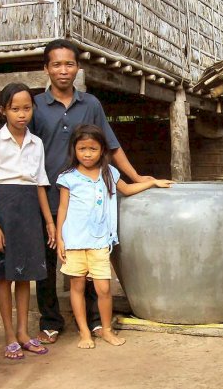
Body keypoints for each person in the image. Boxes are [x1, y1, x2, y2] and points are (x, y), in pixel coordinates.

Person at [30, 39, 154, 344]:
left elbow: (111, 144)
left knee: (88, 262)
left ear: (77, 67)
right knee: (47, 262)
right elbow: (26, 152)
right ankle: (51, 321)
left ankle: (96, 322)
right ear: (46, 68)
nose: (63, 70)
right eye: (56, 64)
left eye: (69, 64)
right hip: (48, 196)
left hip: (86, 203)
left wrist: (137, 176)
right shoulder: (35, 107)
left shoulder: (91, 104)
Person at [56, 124, 173, 348]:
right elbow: (62, 208)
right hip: (74, 242)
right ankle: (84, 333)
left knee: (104, 289)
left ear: (102, 150)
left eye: (93, 148)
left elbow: (127, 190)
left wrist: (152, 182)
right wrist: (60, 239)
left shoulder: (109, 172)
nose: (87, 153)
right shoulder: (68, 177)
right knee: (77, 287)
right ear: (74, 150)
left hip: (100, 241)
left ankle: (106, 330)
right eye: (82, 149)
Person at [0, 83, 55, 359]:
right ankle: (9, 334)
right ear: (3, 111)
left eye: (26, 108)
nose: (21, 114)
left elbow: (40, 184)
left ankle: (24, 332)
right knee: (5, 275)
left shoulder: (37, 144)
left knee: (25, 275)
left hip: (30, 210)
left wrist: (48, 221)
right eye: (15, 109)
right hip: (4, 208)